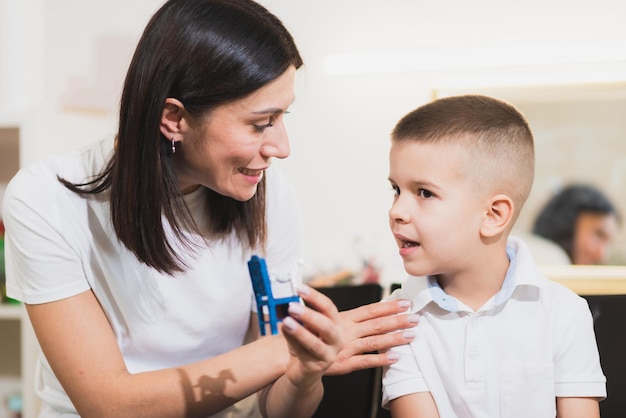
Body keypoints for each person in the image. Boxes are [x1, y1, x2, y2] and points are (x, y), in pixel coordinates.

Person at [1, 1, 418, 417]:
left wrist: (304, 370)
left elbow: (279, 409)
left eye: (282, 117)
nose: (282, 148)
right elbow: (110, 405)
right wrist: (281, 352)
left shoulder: (271, 198)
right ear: (174, 118)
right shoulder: (46, 199)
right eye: (260, 123)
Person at [381, 95, 606, 417]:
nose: (397, 211)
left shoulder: (565, 313)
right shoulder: (395, 320)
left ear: (493, 215)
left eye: (425, 193)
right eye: (396, 190)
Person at [533, 184, 621, 265]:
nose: (602, 255)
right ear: (566, 226)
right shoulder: (547, 261)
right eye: (598, 235)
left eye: (609, 243)